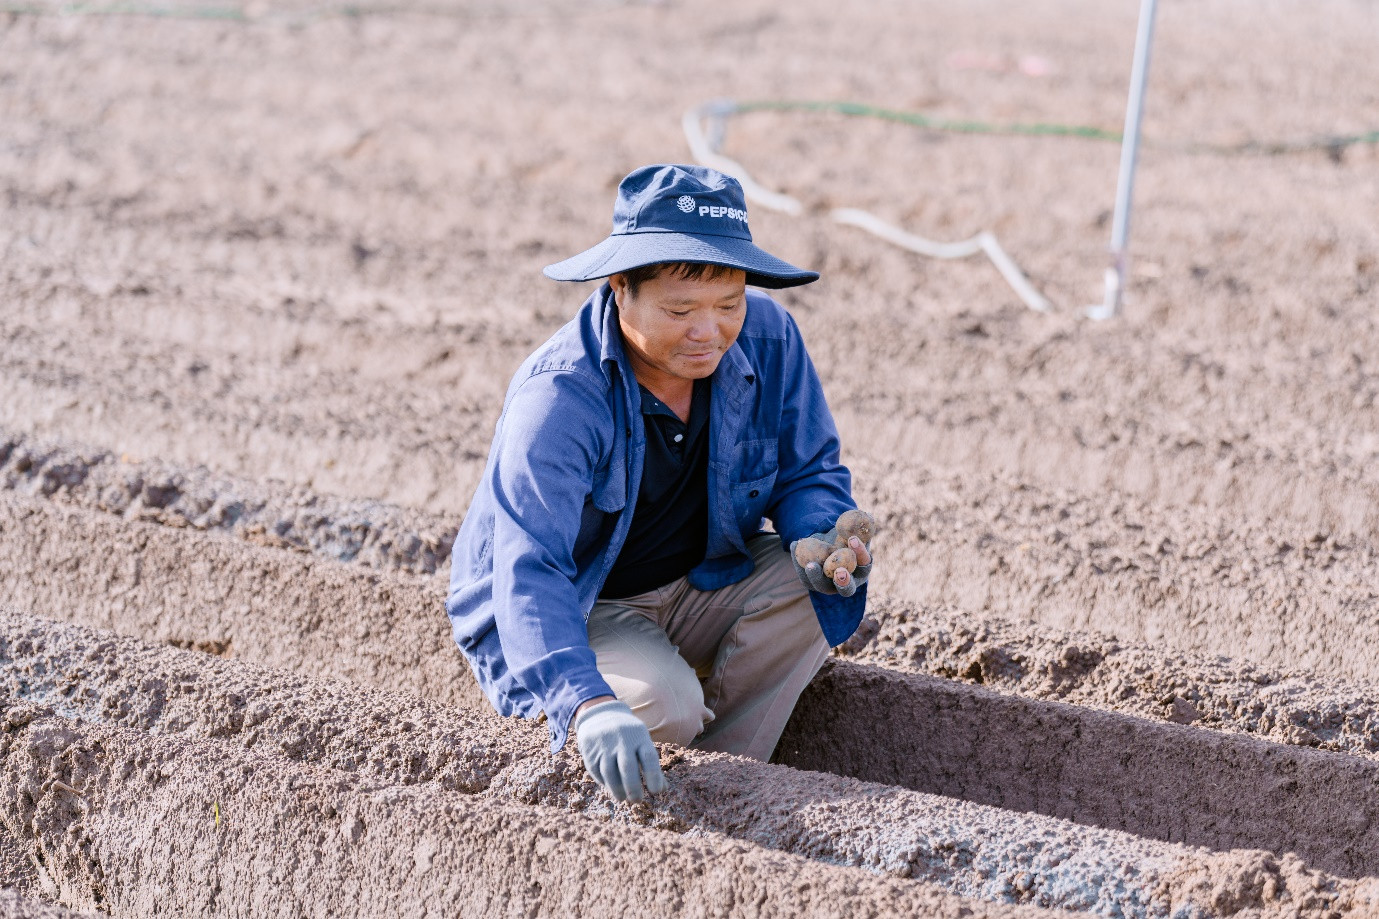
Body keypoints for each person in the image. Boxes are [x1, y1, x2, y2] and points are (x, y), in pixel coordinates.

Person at [445, 164, 873, 803]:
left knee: (807, 588)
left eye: (729, 304)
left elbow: (809, 471)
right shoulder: (560, 399)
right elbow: (529, 572)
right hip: (586, 605)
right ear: (621, 287)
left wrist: (825, 533)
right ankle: (647, 748)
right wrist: (587, 703)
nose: (709, 333)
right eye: (680, 310)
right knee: (659, 707)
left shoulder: (768, 337)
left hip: (701, 579)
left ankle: (721, 792)